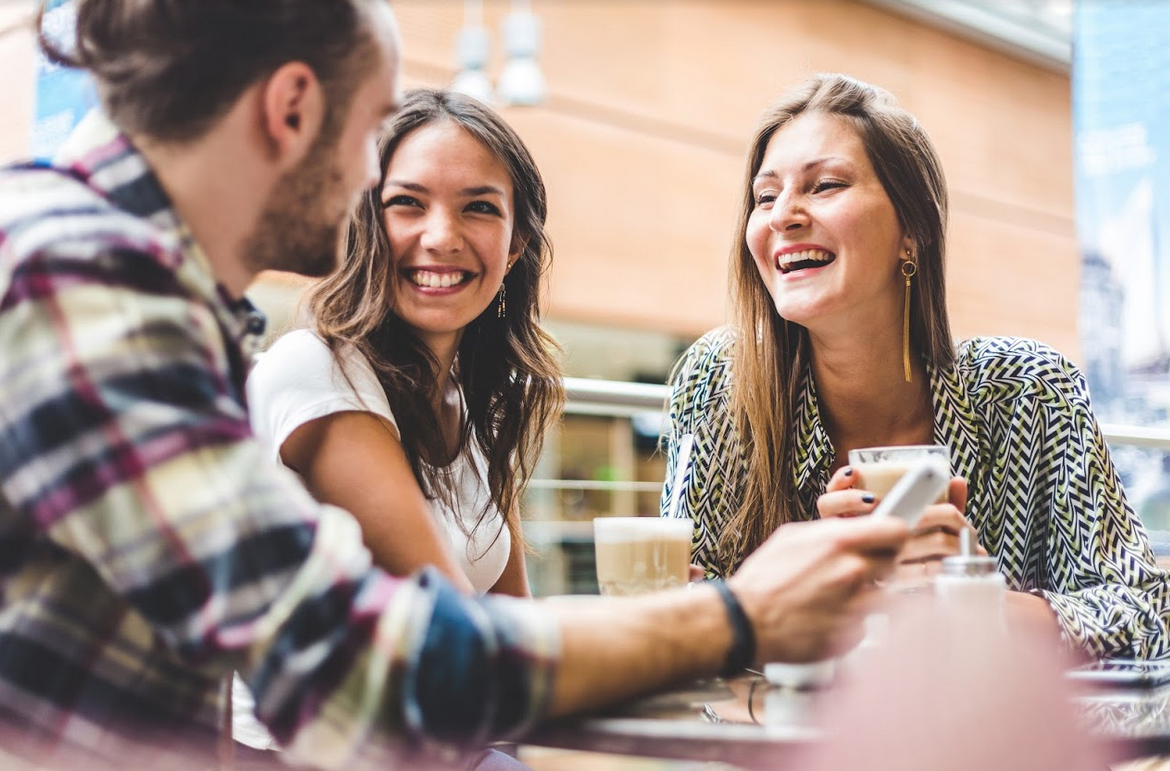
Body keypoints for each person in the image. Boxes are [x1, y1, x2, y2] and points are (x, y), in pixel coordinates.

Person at [0, 4, 910, 770]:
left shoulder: (130, 282)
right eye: (374, 139)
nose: (371, 183)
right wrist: (741, 615)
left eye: (479, 206)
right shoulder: (79, 282)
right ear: (290, 109)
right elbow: (357, 665)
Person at [661, 72, 1170, 660]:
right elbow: (680, 606)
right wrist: (800, 591)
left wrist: (974, 599)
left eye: (824, 185)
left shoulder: (1030, 391)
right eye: (765, 196)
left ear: (914, 230)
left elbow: (1147, 615)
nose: (783, 216)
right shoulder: (717, 380)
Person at [235, 88, 558, 760]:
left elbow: (515, 626)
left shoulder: (475, 405)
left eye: (479, 207)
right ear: (364, 221)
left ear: (516, 240)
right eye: (406, 203)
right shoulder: (317, 373)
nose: (441, 236)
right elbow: (463, 636)